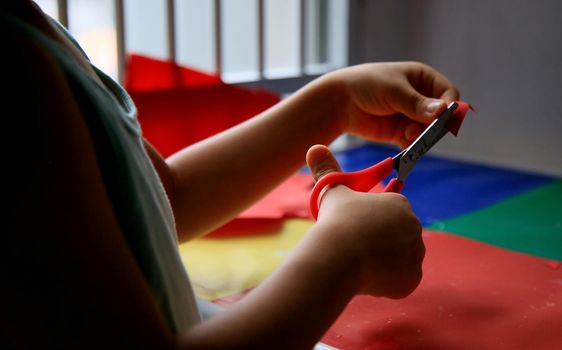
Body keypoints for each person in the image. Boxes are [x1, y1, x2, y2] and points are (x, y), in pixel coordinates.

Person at [1, 1, 459, 349]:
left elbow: (164, 201)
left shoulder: (33, 27)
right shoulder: (8, 64)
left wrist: (334, 103)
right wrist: (348, 256)